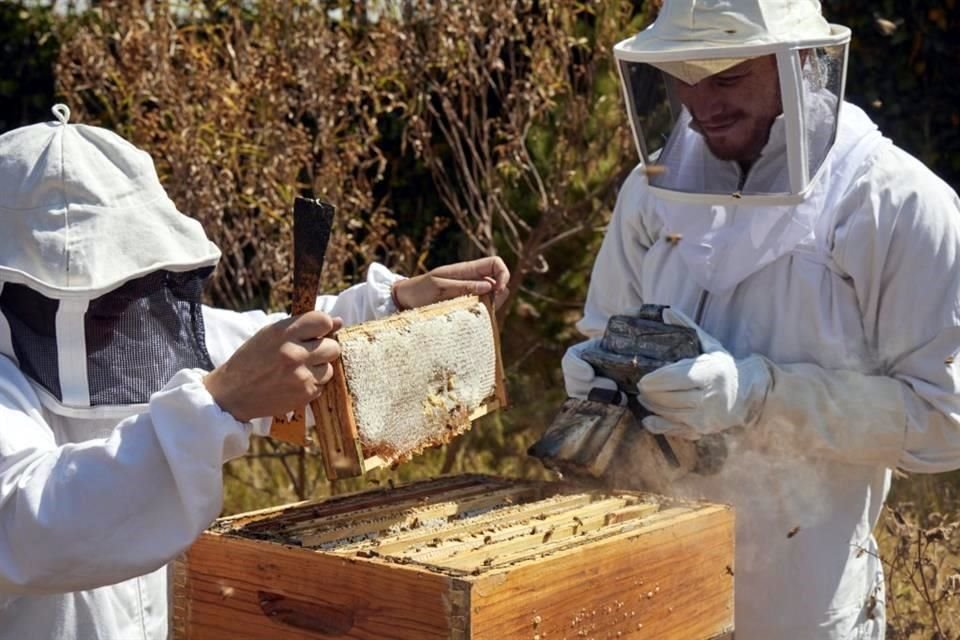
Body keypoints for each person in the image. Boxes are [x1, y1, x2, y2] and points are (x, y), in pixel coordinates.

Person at [0, 104, 509, 639]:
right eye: (85, 287)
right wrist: (219, 401)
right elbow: (27, 528)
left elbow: (278, 345)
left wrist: (396, 307)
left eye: (128, 278)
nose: (117, 303)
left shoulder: (145, 334)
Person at [562, 1, 960, 638]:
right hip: (654, 579)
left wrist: (758, 396)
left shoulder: (899, 205)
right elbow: (605, 328)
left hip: (803, 595)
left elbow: (944, 423)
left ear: (800, 65)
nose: (701, 104)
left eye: (727, 77)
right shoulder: (650, 189)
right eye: (683, 78)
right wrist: (599, 376)